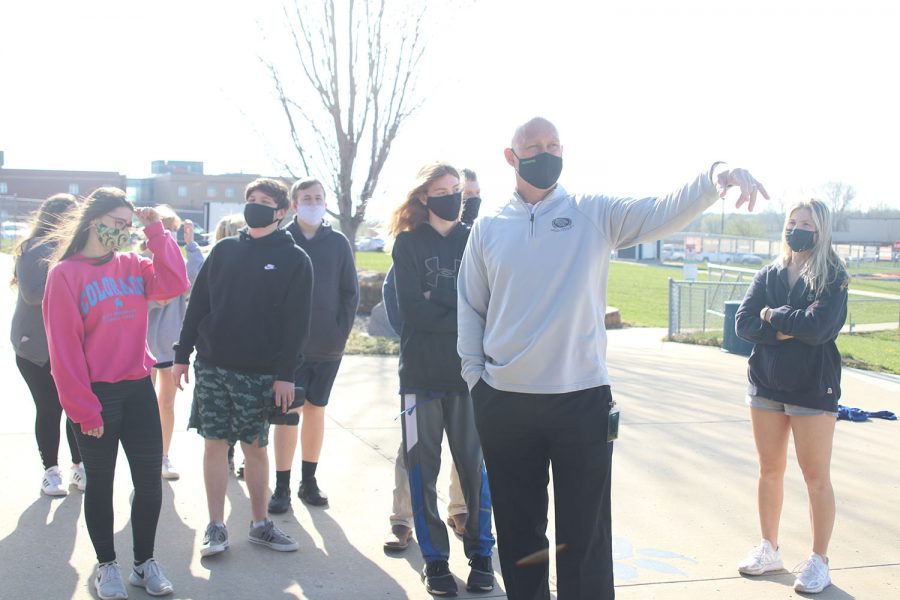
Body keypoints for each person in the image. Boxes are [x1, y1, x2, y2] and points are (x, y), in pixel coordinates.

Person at [457, 116, 768, 600]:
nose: (546, 153)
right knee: (519, 534)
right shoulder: (490, 225)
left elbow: (663, 209)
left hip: (580, 400)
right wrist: (477, 380)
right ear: (510, 157)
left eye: (554, 144)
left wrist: (717, 176)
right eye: (534, 146)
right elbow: (471, 306)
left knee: (585, 539)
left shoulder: (593, 212)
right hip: (505, 402)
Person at [43, 187, 189, 599]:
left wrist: (156, 231)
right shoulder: (65, 274)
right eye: (117, 225)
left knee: (149, 482)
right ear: (94, 221)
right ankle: (106, 565)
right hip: (96, 396)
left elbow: (175, 281)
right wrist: (83, 410)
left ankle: (145, 563)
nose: (123, 233)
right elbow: (63, 351)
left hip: (137, 388)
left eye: (128, 226)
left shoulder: (133, 265)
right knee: (101, 484)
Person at [173, 178, 313, 558]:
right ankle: (216, 526)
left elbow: (296, 325)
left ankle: (260, 524)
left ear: (282, 212)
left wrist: (285, 374)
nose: (255, 206)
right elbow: (198, 304)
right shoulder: (223, 251)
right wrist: (182, 355)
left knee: (255, 448)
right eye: (251, 199)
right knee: (214, 444)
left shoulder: (295, 259)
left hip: (260, 373)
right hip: (213, 366)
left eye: (265, 201)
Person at [390, 162, 495, 596]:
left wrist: (440, 300)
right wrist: (461, 309)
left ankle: (482, 555)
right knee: (422, 470)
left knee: (475, 471)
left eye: (457, 189)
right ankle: (434, 560)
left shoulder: (478, 240)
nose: (453, 196)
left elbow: (489, 306)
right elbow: (412, 310)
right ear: (423, 197)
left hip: (470, 376)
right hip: (420, 376)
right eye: (442, 189)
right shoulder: (407, 245)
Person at [734, 199, 848, 595]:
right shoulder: (769, 273)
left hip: (812, 389)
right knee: (770, 470)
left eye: (807, 224)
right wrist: (780, 325)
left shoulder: (833, 276)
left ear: (822, 231)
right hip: (765, 386)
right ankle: (769, 548)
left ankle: (819, 561)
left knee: (816, 478)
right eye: (793, 221)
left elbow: (818, 327)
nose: (797, 229)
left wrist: (772, 317)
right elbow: (743, 322)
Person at [268, 177, 359, 513]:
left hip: (327, 348)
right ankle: (281, 487)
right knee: (287, 415)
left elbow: (350, 293)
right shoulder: (281, 240)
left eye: (318, 197)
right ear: (294, 204)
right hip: (289, 351)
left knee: (315, 411)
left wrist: (339, 334)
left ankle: (309, 481)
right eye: (306, 198)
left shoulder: (337, 243)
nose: (313, 202)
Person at [11, 193, 83, 497]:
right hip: (35, 348)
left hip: (71, 345)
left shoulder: (81, 250)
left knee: (76, 407)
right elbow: (32, 293)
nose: (73, 222)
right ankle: (50, 471)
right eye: (68, 216)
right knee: (50, 406)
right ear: (52, 218)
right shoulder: (33, 249)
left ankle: (78, 467)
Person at [145, 205, 204, 481]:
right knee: (143, 404)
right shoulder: (140, 259)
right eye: (162, 226)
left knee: (166, 403)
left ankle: (163, 456)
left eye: (171, 228)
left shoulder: (180, 262)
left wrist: (191, 246)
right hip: (142, 345)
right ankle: (144, 456)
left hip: (170, 343)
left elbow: (198, 277)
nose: (166, 233)